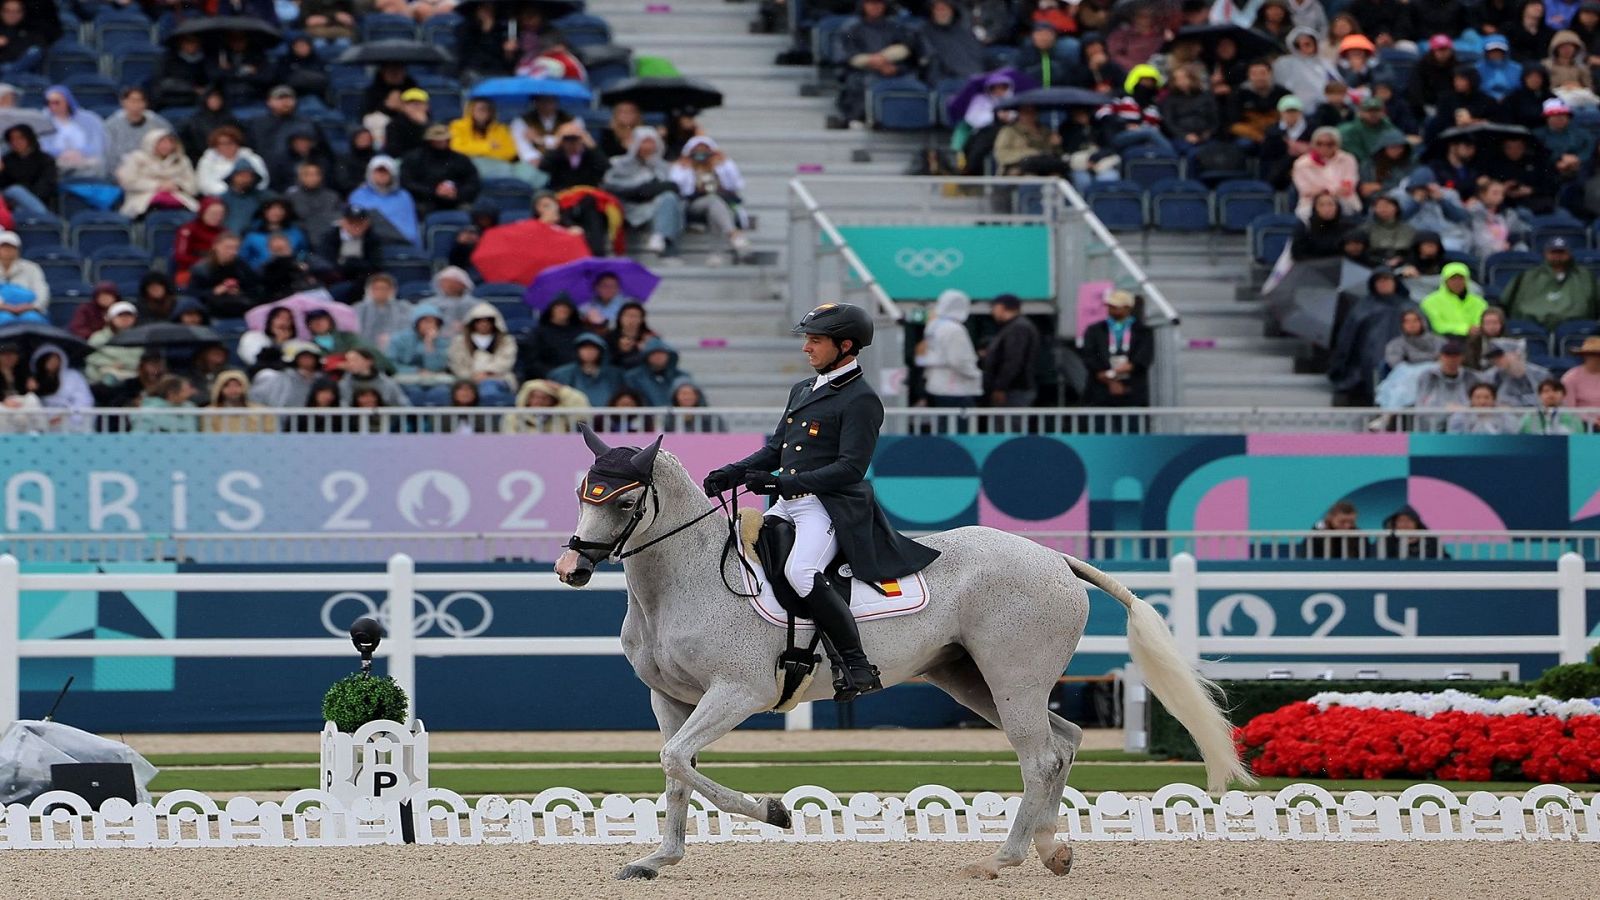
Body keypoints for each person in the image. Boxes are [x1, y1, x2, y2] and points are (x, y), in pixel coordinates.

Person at [700, 303, 940, 702]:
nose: (806, 348)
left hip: (827, 505)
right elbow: (776, 448)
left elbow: (851, 468)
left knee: (802, 571)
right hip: (790, 501)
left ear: (845, 345)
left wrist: (782, 482)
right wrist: (736, 471)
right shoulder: (803, 389)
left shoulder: (861, 399)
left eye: (815, 340)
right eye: (806, 339)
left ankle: (856, 663)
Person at [1329, 267, 1415, 405]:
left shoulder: (1411, 306)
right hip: (1367, 364)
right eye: (1379, 281)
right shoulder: (1362, 307)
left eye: (1387, 280)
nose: (1383, 283)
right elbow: (1347, 340)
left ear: (1395, 282)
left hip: (1406, 362)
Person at [829, 0, 915, 130]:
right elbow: (843, 56)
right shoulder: (850, 28)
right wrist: (871, 62)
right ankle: (857, 118)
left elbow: (908, 54)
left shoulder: (896, 27)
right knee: (861, 81)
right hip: (860, 72)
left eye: (879, 3)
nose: (875, 7)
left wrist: (895, 68)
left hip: (893, 72)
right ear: (863, 5)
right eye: (871, 3)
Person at [603, 126, 682, 256]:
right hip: (626, 207)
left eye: (651, 142)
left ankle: (661, 237)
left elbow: (674, 187)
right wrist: (642, 190)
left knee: (670, 198)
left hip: (654, 207)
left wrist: (649, 190)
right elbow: (610, 186)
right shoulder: (617, 163)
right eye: (644, 142)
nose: (648, 147)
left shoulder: (664, 167)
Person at [670, 136, 750, 263]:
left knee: (716, 207)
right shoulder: (683, 167)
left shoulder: (719, 167)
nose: (701, 154)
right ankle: (734, 235)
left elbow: (737, 184)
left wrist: (725, 162)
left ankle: (715, 254)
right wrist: (686, 167)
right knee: (714, 201)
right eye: (697, 150)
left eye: (705, 150)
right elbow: (676, 187)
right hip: (691, 205)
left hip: (717, 204)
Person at [1502, 236, 1600, 331]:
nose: (1557, 255)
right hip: (1534, 328)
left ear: (1569, 253)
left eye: (1561, 252)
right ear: (1545, 253)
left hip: (1576, 329)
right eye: (1553, 252)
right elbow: (1504, 302)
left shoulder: (1584, 276)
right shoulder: (1529, 275)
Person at [1080, 290, 1153, 408]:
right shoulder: (1095, 330)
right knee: (1099, 424)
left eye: (1116, 306)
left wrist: (1129, 367)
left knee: (1132, 424)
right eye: (1110, 305)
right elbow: (1089, 355)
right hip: (1100, 391)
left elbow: (1143, 357)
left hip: (1132, 390)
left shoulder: (1142, 331)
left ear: (1128, 308)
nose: (1111, 309)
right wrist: (1107, 377)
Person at [915, 288, 983, 408]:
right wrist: (975, 374)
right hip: (956, 388)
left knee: (943, 424)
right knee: (959, 425)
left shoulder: (933, 326)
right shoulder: (955, 329)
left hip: (936, 385)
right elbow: (958, 360)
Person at [115, 129, 199, 219]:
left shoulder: (182, 161)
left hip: (179, 199)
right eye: (161, 142)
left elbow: (193, 186)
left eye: (169, 142)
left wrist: (177, 186)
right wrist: (157, 185)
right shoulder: (136, 158)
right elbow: (127, 182)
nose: (166, 146)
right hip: (143, 200)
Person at [402, 124, 482, 216]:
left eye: (444, 139)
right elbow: (407, 182)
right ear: (429, 140)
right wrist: (434, 192)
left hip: (456, 201)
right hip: (425, 202)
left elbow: (473, 181)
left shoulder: (461, 159)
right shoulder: (414, 158)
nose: (441, 142)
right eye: (437, 140)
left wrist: (457, 193)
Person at [447, 302, 518, 404]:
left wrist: (487, 373)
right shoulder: (459, 341)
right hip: (466, 378)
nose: (484, 324)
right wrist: (471, 376)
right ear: (473, 323)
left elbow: (506, 361)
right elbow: (456, 362)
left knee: (489, 388)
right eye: (479, 321)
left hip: (498, 377)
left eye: (488, 321)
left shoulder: (506, 341)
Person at [982, 294, 1041, 408]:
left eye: (994, 307)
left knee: (1008, 424)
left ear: (1002, 307)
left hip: (1015, 389)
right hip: (1013, 388)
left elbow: (1013, 360)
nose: (992, 311)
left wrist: (1000, 387)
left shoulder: (1018, 327)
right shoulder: (1014, 326)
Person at [389, 302, 455, 406]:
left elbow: (436, 367)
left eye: (434, 322)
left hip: (434, 382)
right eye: (426, 321)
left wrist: (429, 344)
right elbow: (391, 364)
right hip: (405, 380)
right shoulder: (399, 339)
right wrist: (415, 371)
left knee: (441, 393)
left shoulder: (443, 342)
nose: (430, 325)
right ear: (417, 322)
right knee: (415, 394)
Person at [348, 155, 419, 247]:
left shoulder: (404, 197)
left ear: (393, 174)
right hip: (367, 246)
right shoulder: (358, 195)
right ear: (370, 173)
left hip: (399, 245)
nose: (381, 175)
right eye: (378, 171)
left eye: (385, 172)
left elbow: (411, 229)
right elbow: (353, 226)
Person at [1291, 127, 1361, 219]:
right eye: (1319, 143)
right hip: (1312, 203)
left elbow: (1348, 185)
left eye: (1330, 144)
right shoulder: (1301, 164)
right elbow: (1306, 190)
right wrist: (1331, 191)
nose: (1324, 147)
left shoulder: (1348, 159)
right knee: (1307, 213)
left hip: (1344, 201)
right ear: (1313, 144)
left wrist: (1326, 190)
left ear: (1337, 144)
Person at [186, 232, 259, 318]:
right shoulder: (201, 269)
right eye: (228, 248)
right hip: (212, 308)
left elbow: (254, 287)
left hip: (239, 304)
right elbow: (192, 294)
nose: (233, 252)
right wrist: (214, 291)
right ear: (216, 246)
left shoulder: (241, 266)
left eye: (236, 248)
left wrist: (239, 291)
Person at [39, 85, 105, 177]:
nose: (52, 106)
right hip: (55, 161)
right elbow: (41, 146)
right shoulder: (42, 120)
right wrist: (61, 153)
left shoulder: (89, 119)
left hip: (85, 160)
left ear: (67, 102)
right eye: (48, 102)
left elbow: (97, 143)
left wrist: (81, 152)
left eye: (56, 102)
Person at [102, 87, 173, 173]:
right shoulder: (111, 125)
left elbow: (169, 147)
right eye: (132, 101)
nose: (136, 105)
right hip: (121, 171)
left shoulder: (159, 124)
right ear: (123, 102)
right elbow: (107, 155)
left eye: (140, 101)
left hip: (154, 170)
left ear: (145, 103)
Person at [28, 342, 92, 431]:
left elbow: (84, 400)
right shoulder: (34, 379)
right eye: (49, 359)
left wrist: (66, 415)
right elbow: (31, 402)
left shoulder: (73, 376)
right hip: (42, 422)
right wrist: (30, 390)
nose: (53, 362)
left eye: (56, 358)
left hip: (70, 421)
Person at [549, 331, 623, 406]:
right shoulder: (561, 374)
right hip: (574, 416)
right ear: (577, 351)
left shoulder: (615, 374)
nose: (588, 352)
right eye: (584, 348)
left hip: (607, 416)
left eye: (593, 348)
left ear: (601, 352)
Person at [195, 126, 268, 197]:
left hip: (251, 196)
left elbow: (263, 180)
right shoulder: (206, 161)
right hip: (218, 198)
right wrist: (230, 193)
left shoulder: (253, 158)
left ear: (237, 143)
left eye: (230, 143)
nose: (226, 146)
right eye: (222, 144)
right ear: (216, 146)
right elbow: (204, 184)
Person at [239, 198, 309, 271]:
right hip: (260, 275)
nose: (276, 213)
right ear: (265, 211)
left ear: (286, 212)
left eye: (280, 210)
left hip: (290, 273)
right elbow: (243, 257)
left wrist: (298, 262)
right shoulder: (252, 234)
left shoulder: (296, 233)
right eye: (272, 209)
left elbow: (303, 251)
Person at [523, 294, 583, 378]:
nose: (562, 310)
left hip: (577, 377)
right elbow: (532, 362)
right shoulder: (538, 333)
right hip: (546, 377)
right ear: (551, 309)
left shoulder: (581, 333)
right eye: (558, 306)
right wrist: (553, 374)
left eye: (566, 307)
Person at [1420, 261, 1487, 337]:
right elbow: (1438, 326)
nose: (1457, 282)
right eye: (1453, 279)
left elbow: (1482, 321)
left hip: (1475, 338)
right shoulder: (1430, 302)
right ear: (1445, 281)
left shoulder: (1479, 302)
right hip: (1444, 340)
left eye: (1461, 278)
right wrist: (1465, 329)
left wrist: (1475, 329)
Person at [172, 197, 227, 289]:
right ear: (203, 212)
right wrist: (206, 263)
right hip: (191, 271)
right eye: (213, 213)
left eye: (220, 214)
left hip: (220, 272)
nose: (217, 217)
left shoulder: (224, 232)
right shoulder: (188, 230)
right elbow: (180, 256)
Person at [0, 123, 54, 215]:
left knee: (20, 208)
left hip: (37, 198)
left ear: (29, 138)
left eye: (20, 138)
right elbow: (4, 186)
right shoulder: (6, 160)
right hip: (10, 199)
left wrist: (27, 193)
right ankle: (46, 217)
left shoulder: (44, 159)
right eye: (12, 139)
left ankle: (44, 217)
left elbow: (47, 184)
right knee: (15, 190)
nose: (16, 142)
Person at [86, 300, 142, 386]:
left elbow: (140, 361)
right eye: (120, 316)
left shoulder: (140, 338)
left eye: (129, 316)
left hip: (135, 376)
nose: (125, 319)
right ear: (111, 318)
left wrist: (123, 364)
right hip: (102, 378)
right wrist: (110, 364)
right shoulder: (98, 337)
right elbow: (91, 357)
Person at [501, 378, 588, 433]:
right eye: (534, 397)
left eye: (544, 398)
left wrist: (562, 390)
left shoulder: (560, 416)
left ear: (552, 401)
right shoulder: (513, 417)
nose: (539, 401)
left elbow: (583, 413)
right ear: (527, 398)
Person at [353, 273, 412, 353]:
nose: (380, 291)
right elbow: (355, 332)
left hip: (396, 349)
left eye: (384, 288)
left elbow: (406, 330)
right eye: (376, 288)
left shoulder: (403, 308)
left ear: (392, 290)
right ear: (369, 290)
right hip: (365, 350)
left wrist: (391, 339)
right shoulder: (358, 308)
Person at [1484, 340, 1551, 407]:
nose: (1495, 360)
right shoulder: (1492, 377)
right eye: (1492, 357)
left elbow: (1550, 399)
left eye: (1500, 355)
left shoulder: (1541, 375)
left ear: (1516, 353)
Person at [205, 369, 274, 433]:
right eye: (227, 386)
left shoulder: (262, 412)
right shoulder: (209, 413)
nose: (233, 389)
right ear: (219, 389)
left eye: (237, 385)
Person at [338, 346, 410, 408]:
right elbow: (344, 404)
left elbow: (403, 403)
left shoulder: (387, 382)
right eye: (348, 361)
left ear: (369, 361)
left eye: (355, 360)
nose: (350, 364)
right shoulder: (344, 383)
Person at [1290, 191, 1355, 259]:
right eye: (1321, 205)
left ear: (1337, 207)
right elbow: (1297, 254)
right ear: (1315, 208)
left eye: (1330, 204)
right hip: (1311, 266)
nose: (1326, 209)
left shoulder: (1348, 227)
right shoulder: (1306, 227)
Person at [1298, 499, 1371, 559]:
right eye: (1342, 522)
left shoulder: (1360, 536)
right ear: (1330, 518)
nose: (1347, 526)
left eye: (1351, 522)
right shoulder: (1317, 535)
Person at [0, 228, 44, 316]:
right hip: (1, 310)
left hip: (30, 310)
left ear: (17, 250)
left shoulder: (32, 268)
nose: (7, 250)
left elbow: (42, 291)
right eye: (4, 247)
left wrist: (32, 306)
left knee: (31, 318)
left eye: (11, 247)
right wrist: (5, 307)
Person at [1448, 382, 1520, 433]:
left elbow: (1513, 432)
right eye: (1478, 397)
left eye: (1487, 397)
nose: (1482, 401)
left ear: (1494, 399)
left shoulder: (1504, 415)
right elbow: (1454, 434)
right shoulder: (1461, 415)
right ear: (1471, 399)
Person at [1522, 378, 1587, 432]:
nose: (1551, 394)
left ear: (1563, 395)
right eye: (1546, 391)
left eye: (1555, 390)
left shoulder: (1573, 418)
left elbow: (1578, 441)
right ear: (1540, 395)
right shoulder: (1529, 417)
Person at [1562, 336, 1600, 413]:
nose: (1597, 358)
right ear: (1585, 356)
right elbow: (1569, 411)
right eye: (1593, 355)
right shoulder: (1570, 378)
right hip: (1582, 423)